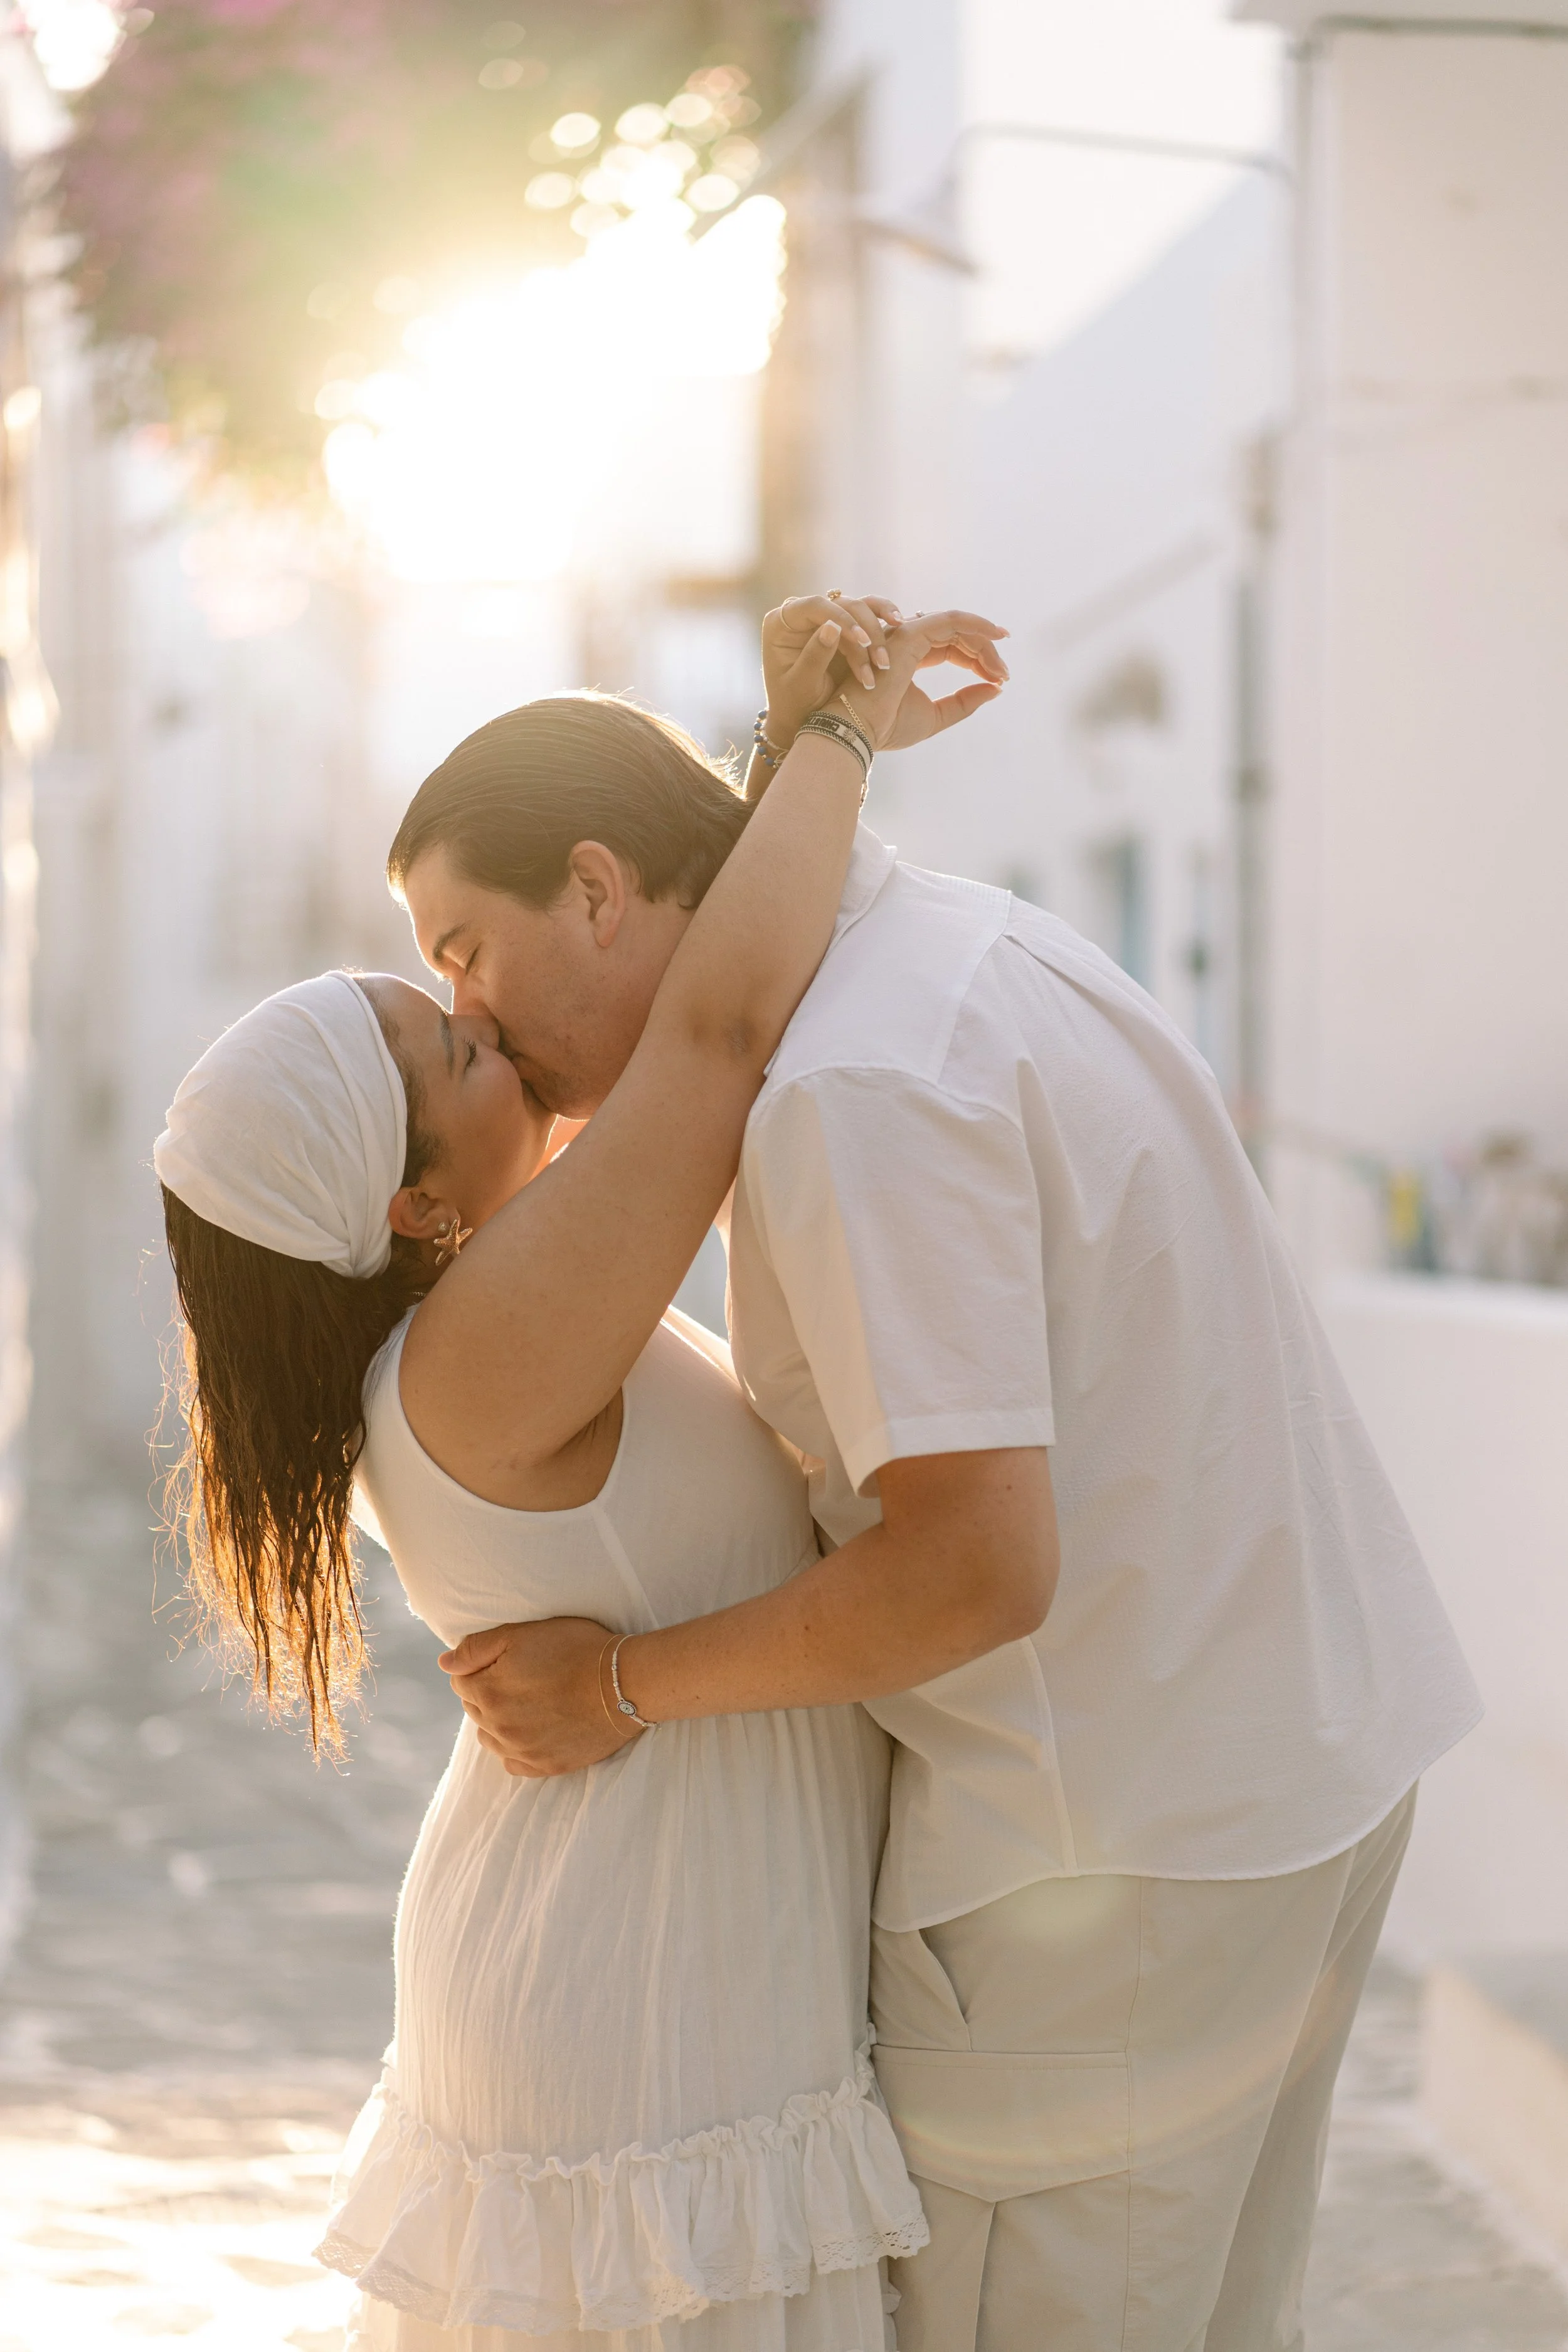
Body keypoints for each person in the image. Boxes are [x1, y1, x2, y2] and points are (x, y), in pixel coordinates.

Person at [396, 591, 1483, 2352]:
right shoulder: (976, 946)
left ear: (595, 888)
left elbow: (974, 1564)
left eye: (465, 947)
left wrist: (614, 1684)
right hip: (1292, 1780)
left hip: (1108, 1875)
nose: (469, 1011)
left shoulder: (856, 1088)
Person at [152, 603, 1011, 2352]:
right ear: (412, 1204)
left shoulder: (476, 1332)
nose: (488, 1015)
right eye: (456, 1043)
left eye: (463, 980)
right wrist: (831, 740)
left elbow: (683, 992)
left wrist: (772, 780)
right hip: (635, 2023)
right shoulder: (475, 1355)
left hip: (650, 1992)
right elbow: (712, 1033)